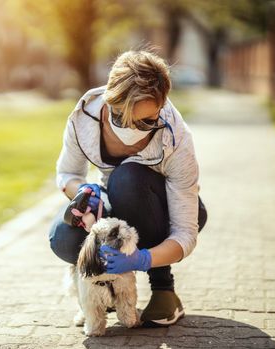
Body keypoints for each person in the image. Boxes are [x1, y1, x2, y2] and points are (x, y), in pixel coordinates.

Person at [48, 49, 208, 327]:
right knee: (63, 238)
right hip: (116, 199)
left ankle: (164, 291)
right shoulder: (84, 116)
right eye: (122, 118)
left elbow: (185, 232)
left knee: (127, 178)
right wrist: (84, 191)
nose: (134, 129)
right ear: (110, 100)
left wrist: (143, 259)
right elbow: (67, 173)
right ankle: (105, 293)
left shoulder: (176, 136)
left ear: (162, 105)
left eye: (148, 121)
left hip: (165, 207)